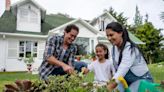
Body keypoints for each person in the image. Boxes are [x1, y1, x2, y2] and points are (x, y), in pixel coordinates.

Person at [105, 22, 153, 92]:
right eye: (107, 36)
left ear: (120, 33)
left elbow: (123, 67)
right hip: (125, 81)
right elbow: (115, 69)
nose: (109, 38)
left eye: (111, 35)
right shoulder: (113, 49)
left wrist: (112, 85)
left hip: (142, 80)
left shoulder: (129, 48)